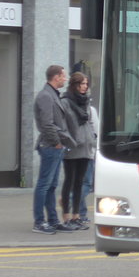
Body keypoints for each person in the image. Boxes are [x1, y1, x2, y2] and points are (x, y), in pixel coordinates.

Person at [32, 65, 76, 234]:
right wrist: (57, 142)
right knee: (44, 185)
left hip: (56, 146)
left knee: (51, 186)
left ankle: (52, 220)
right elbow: (46, 124)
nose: (65, 79)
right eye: (63, 76)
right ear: (56, 77)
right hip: (50, 146)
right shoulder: (45, 96)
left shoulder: (52, 95)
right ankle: (39, 221)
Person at [60, 73, 96, 231]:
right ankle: (66, 216)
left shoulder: (86, 101)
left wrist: (92, 138)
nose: (85, 86)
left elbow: (89, 123)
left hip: (86, 146)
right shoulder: (66, 102)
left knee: (80, 182)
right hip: (73, 146)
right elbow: (63, 125)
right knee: (69, 181)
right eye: (82, 83)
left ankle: (77, 216)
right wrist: (70, 140)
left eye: (86, 83)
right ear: (74, 84)